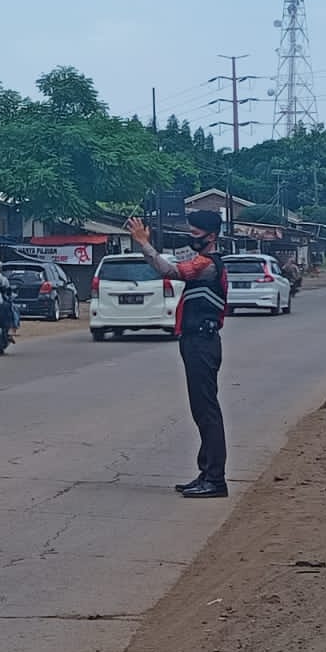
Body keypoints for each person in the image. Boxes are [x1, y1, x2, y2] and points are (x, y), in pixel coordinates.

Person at [125, 210, 230, 499]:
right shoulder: (205, 261)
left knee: (206, 411)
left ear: (211, 236)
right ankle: (206, 473)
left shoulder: (207, 264)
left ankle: (215, 480)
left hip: (203, 342)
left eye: (195, 234)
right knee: (201, 409)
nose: (191, 238)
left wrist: (144, 243)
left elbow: (171, 271)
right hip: (196, 340)